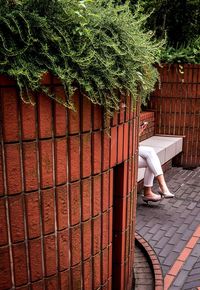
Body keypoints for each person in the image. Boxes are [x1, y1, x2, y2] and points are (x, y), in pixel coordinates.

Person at [138, 122, 174, 203]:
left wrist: (139, 132)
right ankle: (162, 187)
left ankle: (149, 192)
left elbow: (133, 144)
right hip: (120, 153)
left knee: (151, 161)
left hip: (128, 150)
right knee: (150, 153)